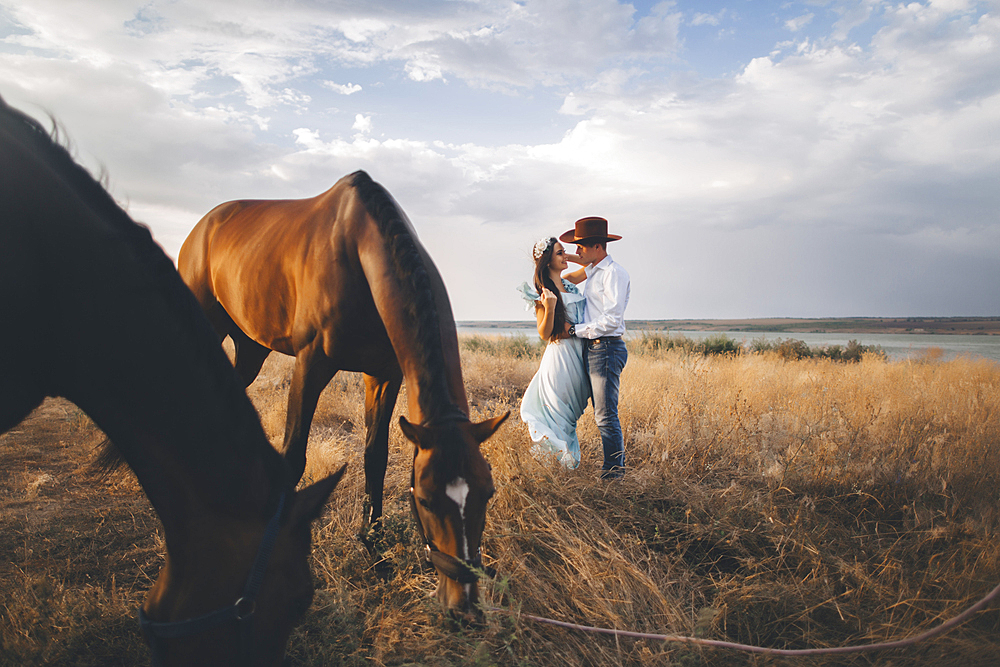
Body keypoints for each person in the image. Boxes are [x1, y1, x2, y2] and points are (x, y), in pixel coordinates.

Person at [560, 217, 630, 479]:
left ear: (597, 247)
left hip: (607, 348)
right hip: (593, 348)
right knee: (597, 412)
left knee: (605, 415)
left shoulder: (613, 274)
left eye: (580, 247)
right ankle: (612, 470)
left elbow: (612, 319)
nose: (577, 252)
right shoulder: (594, 270)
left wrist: (574, 331)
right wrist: (553, 258)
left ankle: (613, 475)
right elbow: (568, 276)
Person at [517, 237, 589, 468]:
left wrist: (570, 256)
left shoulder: (568, 283)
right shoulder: (543, 294)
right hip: (560, 359)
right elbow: (544, 333)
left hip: (580, 356)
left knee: (570, 418)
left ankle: (563, 467)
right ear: (548, 261)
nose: (565, 256)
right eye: (560, 253)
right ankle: (560, 466)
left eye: (564, 252)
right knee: (558, 416)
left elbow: (591, 266)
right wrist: (549, 307)